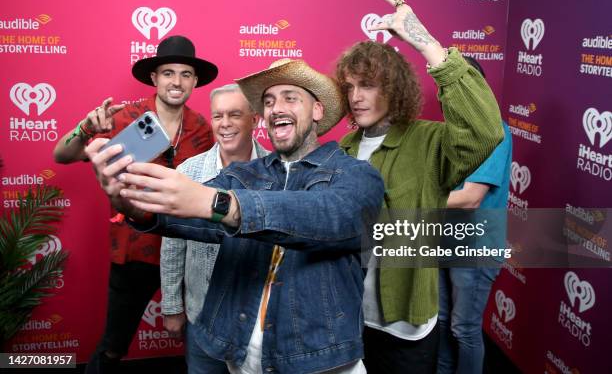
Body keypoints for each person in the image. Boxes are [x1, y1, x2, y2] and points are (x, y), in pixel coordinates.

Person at [84, 59, 385, 374]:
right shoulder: (244, 175)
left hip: (318, 362)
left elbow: (332, 217)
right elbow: (185, 216)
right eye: (268, 102)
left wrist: (218, 203)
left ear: (318, 111)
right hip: (239, 357)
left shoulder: (356, 175)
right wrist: (126, 197)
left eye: (289, 98)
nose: (276, 108)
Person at [335, 0, 504, 373]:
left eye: (369, 85)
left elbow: (484, 132)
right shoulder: (344, 148)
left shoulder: (427, 141)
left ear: (393, 90)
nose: (357, 97)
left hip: (405, 328)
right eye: (350, 87)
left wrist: (425, 42)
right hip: (348, 319)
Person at [52, 35, 217, 373]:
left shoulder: (202, 128)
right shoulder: (126, 118)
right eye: (168, 73)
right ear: (154, 78)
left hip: (186, 250)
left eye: (186, 74)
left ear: (195, 81)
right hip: (135, 250)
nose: (177, 81)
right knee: (113, 347)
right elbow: (62, 154)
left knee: (200, 343)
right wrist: (86, 128)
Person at [160, 84, 269, 373]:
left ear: (254, 119)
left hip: (259, 322)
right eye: (218, 116)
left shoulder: (279, 171)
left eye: (235, 114)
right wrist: (172, 306)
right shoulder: (187, 173)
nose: (225, 124)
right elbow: (172, 246)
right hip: (202, 320)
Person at [437, 57, 513, 374]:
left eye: (456, 88)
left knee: (463, 328)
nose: (447, 97)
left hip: (477, 248)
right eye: (445, 89)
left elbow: (470, 198)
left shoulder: (494, 132)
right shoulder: (450, 133)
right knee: (440, 323)